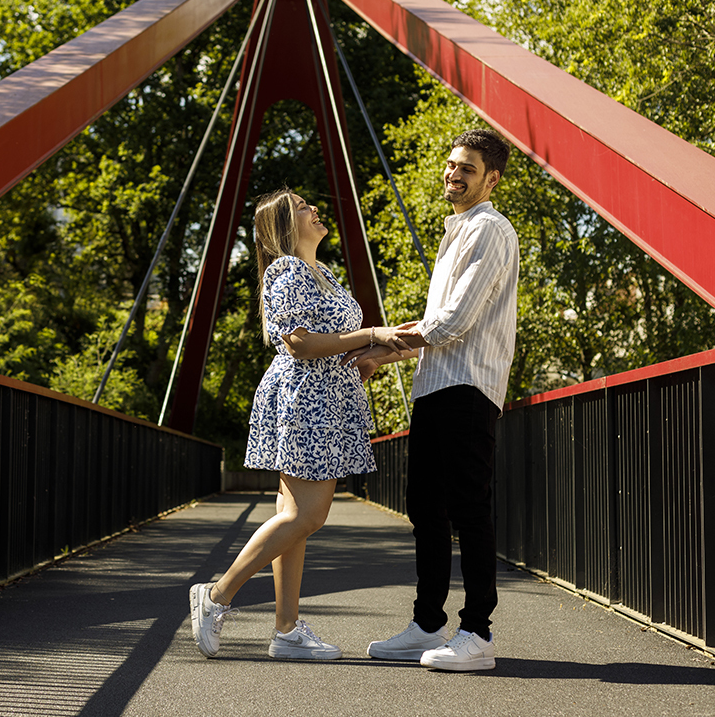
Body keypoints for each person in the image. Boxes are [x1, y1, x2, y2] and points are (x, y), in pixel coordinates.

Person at [189, 188, 411, 660]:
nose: (315, 209)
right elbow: (301, 344)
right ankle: (216, 596)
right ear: (285, 226)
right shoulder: (287, 270)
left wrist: (371, 354)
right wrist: (372, 332)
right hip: (306, 400)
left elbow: (334, 342)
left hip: (327, 397)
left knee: (294, 519)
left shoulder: (322, 273)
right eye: (303, 207)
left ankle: (287, 630)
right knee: (307, 516)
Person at [347, 129, 518, 671]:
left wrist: (378, 344)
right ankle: (427, 624)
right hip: (436, 386)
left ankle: (478, 633)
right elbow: (438, 326)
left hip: (468, 388)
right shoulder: (456, 231)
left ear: (492, 179)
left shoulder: (489, 229)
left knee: (469, 509)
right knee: (425, 508)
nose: (454, 174)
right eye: (451, 164)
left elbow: (455, 322)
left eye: (467, 168)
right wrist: (384, 354)